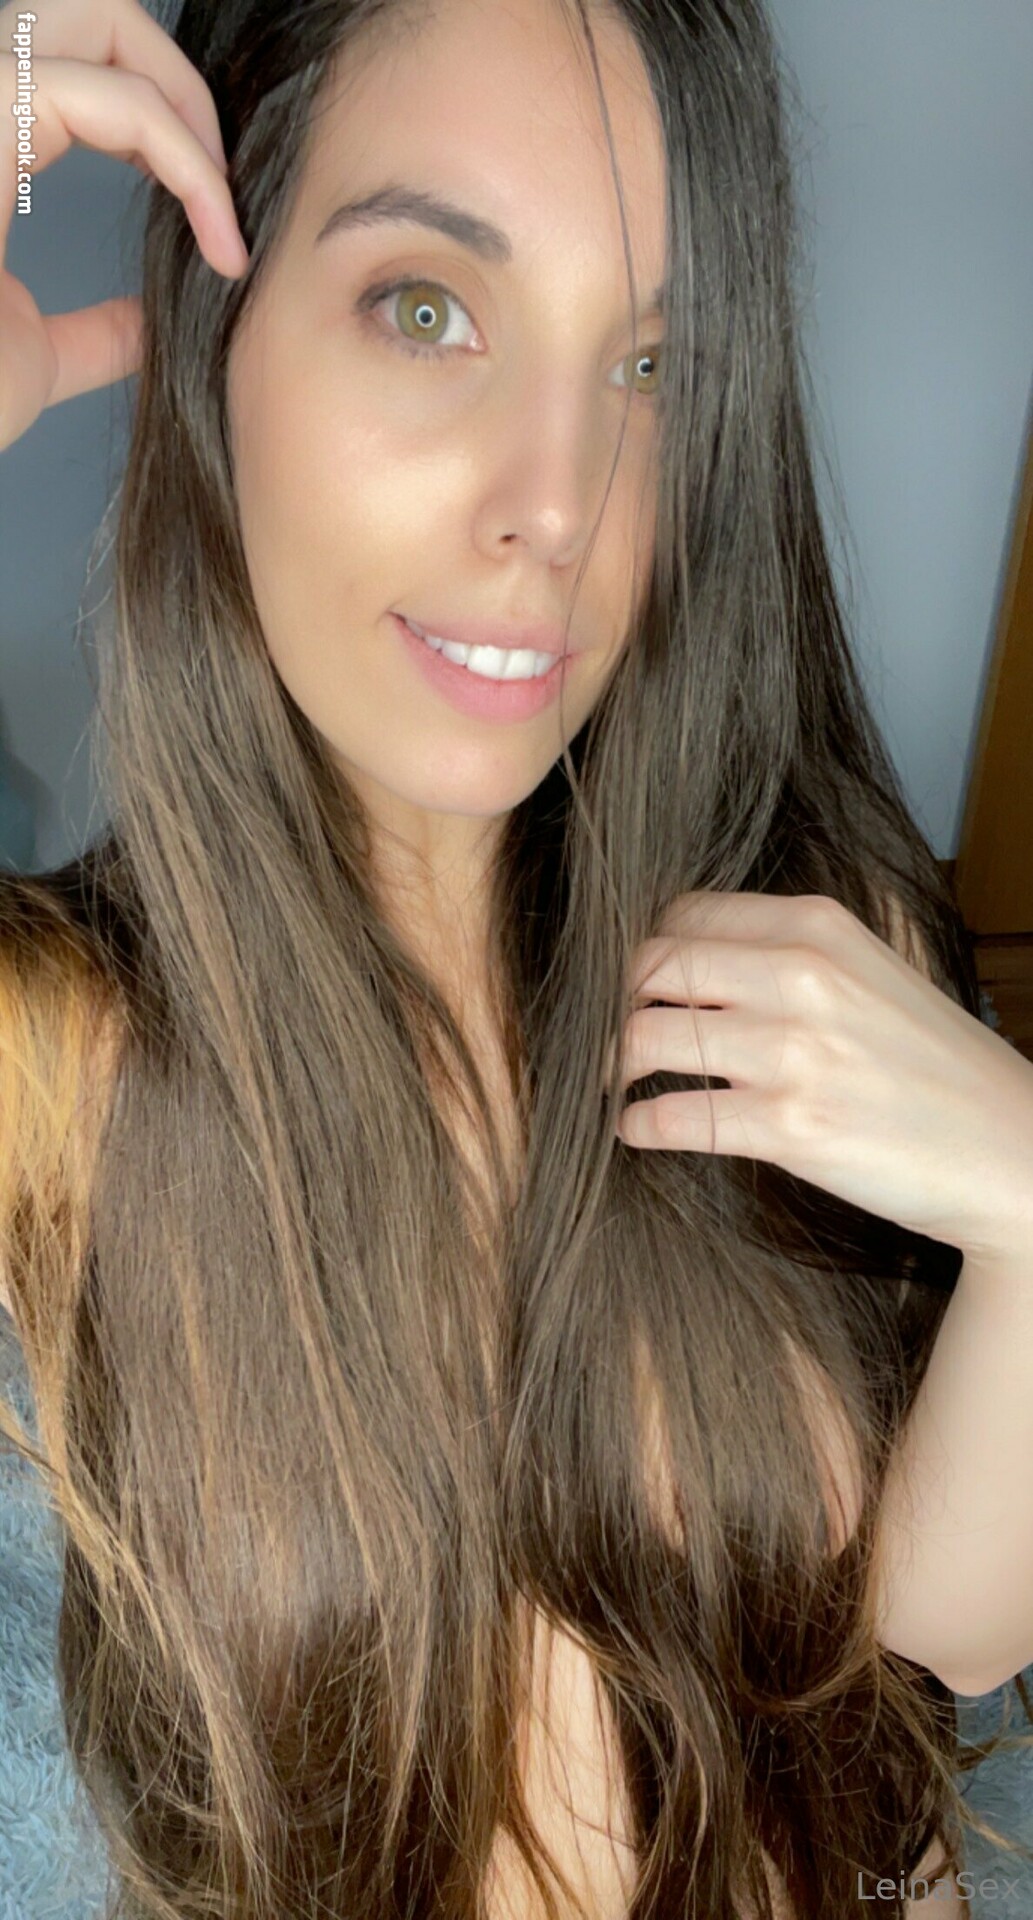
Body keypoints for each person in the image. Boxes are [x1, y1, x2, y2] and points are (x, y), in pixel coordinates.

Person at [1, 0, 1032, 1915]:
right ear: (220, 341)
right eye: (425, 310)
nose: (556, 507)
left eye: (647, 363)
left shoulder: (806, 940)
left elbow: (947, 1635)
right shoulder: (48, 1056)